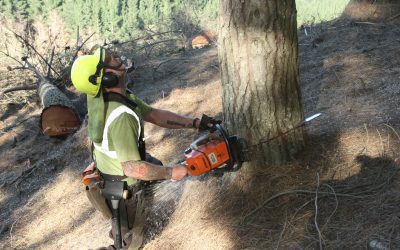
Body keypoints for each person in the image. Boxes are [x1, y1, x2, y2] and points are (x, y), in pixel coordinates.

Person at [70, 47, 219, 250]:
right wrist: (170, 172)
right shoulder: (121, 115)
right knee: (133, 242)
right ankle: (122, 235)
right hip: (125, 187)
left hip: (112, 174)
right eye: (111, 60)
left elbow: (153, 114)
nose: (116, 57)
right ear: (106, 79)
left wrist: (195, 123)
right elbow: (132, 168)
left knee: (153, 167)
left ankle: (124, 223)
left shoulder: (105, 97)